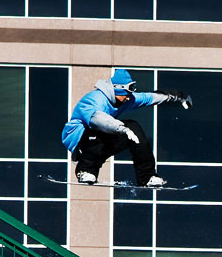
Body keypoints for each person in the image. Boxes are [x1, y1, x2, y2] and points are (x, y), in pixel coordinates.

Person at [61, 68, 191, 187]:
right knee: (97, 130)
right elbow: (98, 120)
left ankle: (147, 177)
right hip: (80, 140)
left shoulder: (126, 99)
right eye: (126, 94)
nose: (128, 98)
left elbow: (150, 97)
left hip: (102, 140)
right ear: (117, 89)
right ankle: (86, 170)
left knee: (133, 127)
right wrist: (122, 129)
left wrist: (180, 97)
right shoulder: (95, 99)